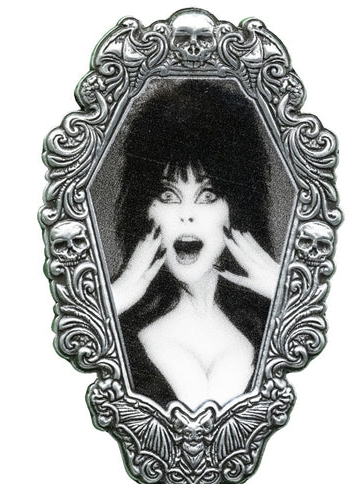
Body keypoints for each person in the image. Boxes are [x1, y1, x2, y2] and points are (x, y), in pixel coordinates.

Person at [110, 80, 279, 410]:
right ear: (144, 209)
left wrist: (288, 296)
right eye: (168, 195)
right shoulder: (115, 322)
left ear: (236, 207)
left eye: (208, 195)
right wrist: (108, 305)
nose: (187, 215)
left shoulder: (271, 317)